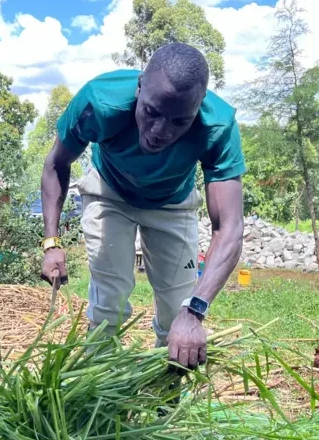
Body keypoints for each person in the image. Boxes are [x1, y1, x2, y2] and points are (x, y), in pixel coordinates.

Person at [39, 43, 245, 371]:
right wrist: (51, 243)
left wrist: (194, 312)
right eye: (151, 112)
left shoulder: (217, 126)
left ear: (198, 109)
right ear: (139, 88)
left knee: (177, 310)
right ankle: (98, 396)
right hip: (109, 192)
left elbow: (230, 228)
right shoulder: (99, 101)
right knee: (109, 302)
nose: (160, 132)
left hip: (173, 203)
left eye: (180, 122)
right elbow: (55, 165)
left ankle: (166, 404)